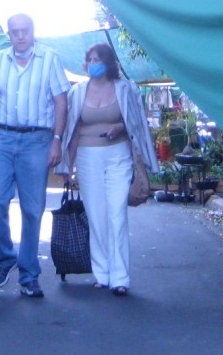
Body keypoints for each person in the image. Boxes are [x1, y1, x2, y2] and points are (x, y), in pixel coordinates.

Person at [0, 13, 69, 298]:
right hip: (3, 138)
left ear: (33, 31)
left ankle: (29, 275)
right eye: (15, 32)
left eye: (24, 31)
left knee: (32, 209)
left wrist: (56, 140)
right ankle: (6, 257)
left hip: (37, 140)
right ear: (9, 34)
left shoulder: (49, 58)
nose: (20, 36)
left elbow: (61, 102)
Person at [60, 42, 158, 296]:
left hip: (118, 156)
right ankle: (102, 273)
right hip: (87, 157)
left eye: (99, 59)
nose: (94, 64)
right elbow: (72, 130)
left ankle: (121, 277)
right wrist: (66, 167)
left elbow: (136, 124)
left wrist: (120, 128)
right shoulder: (78, 92)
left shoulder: (125, 89)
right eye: (90, 59)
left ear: (109, 63)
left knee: (117, 214)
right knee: (96, 215)